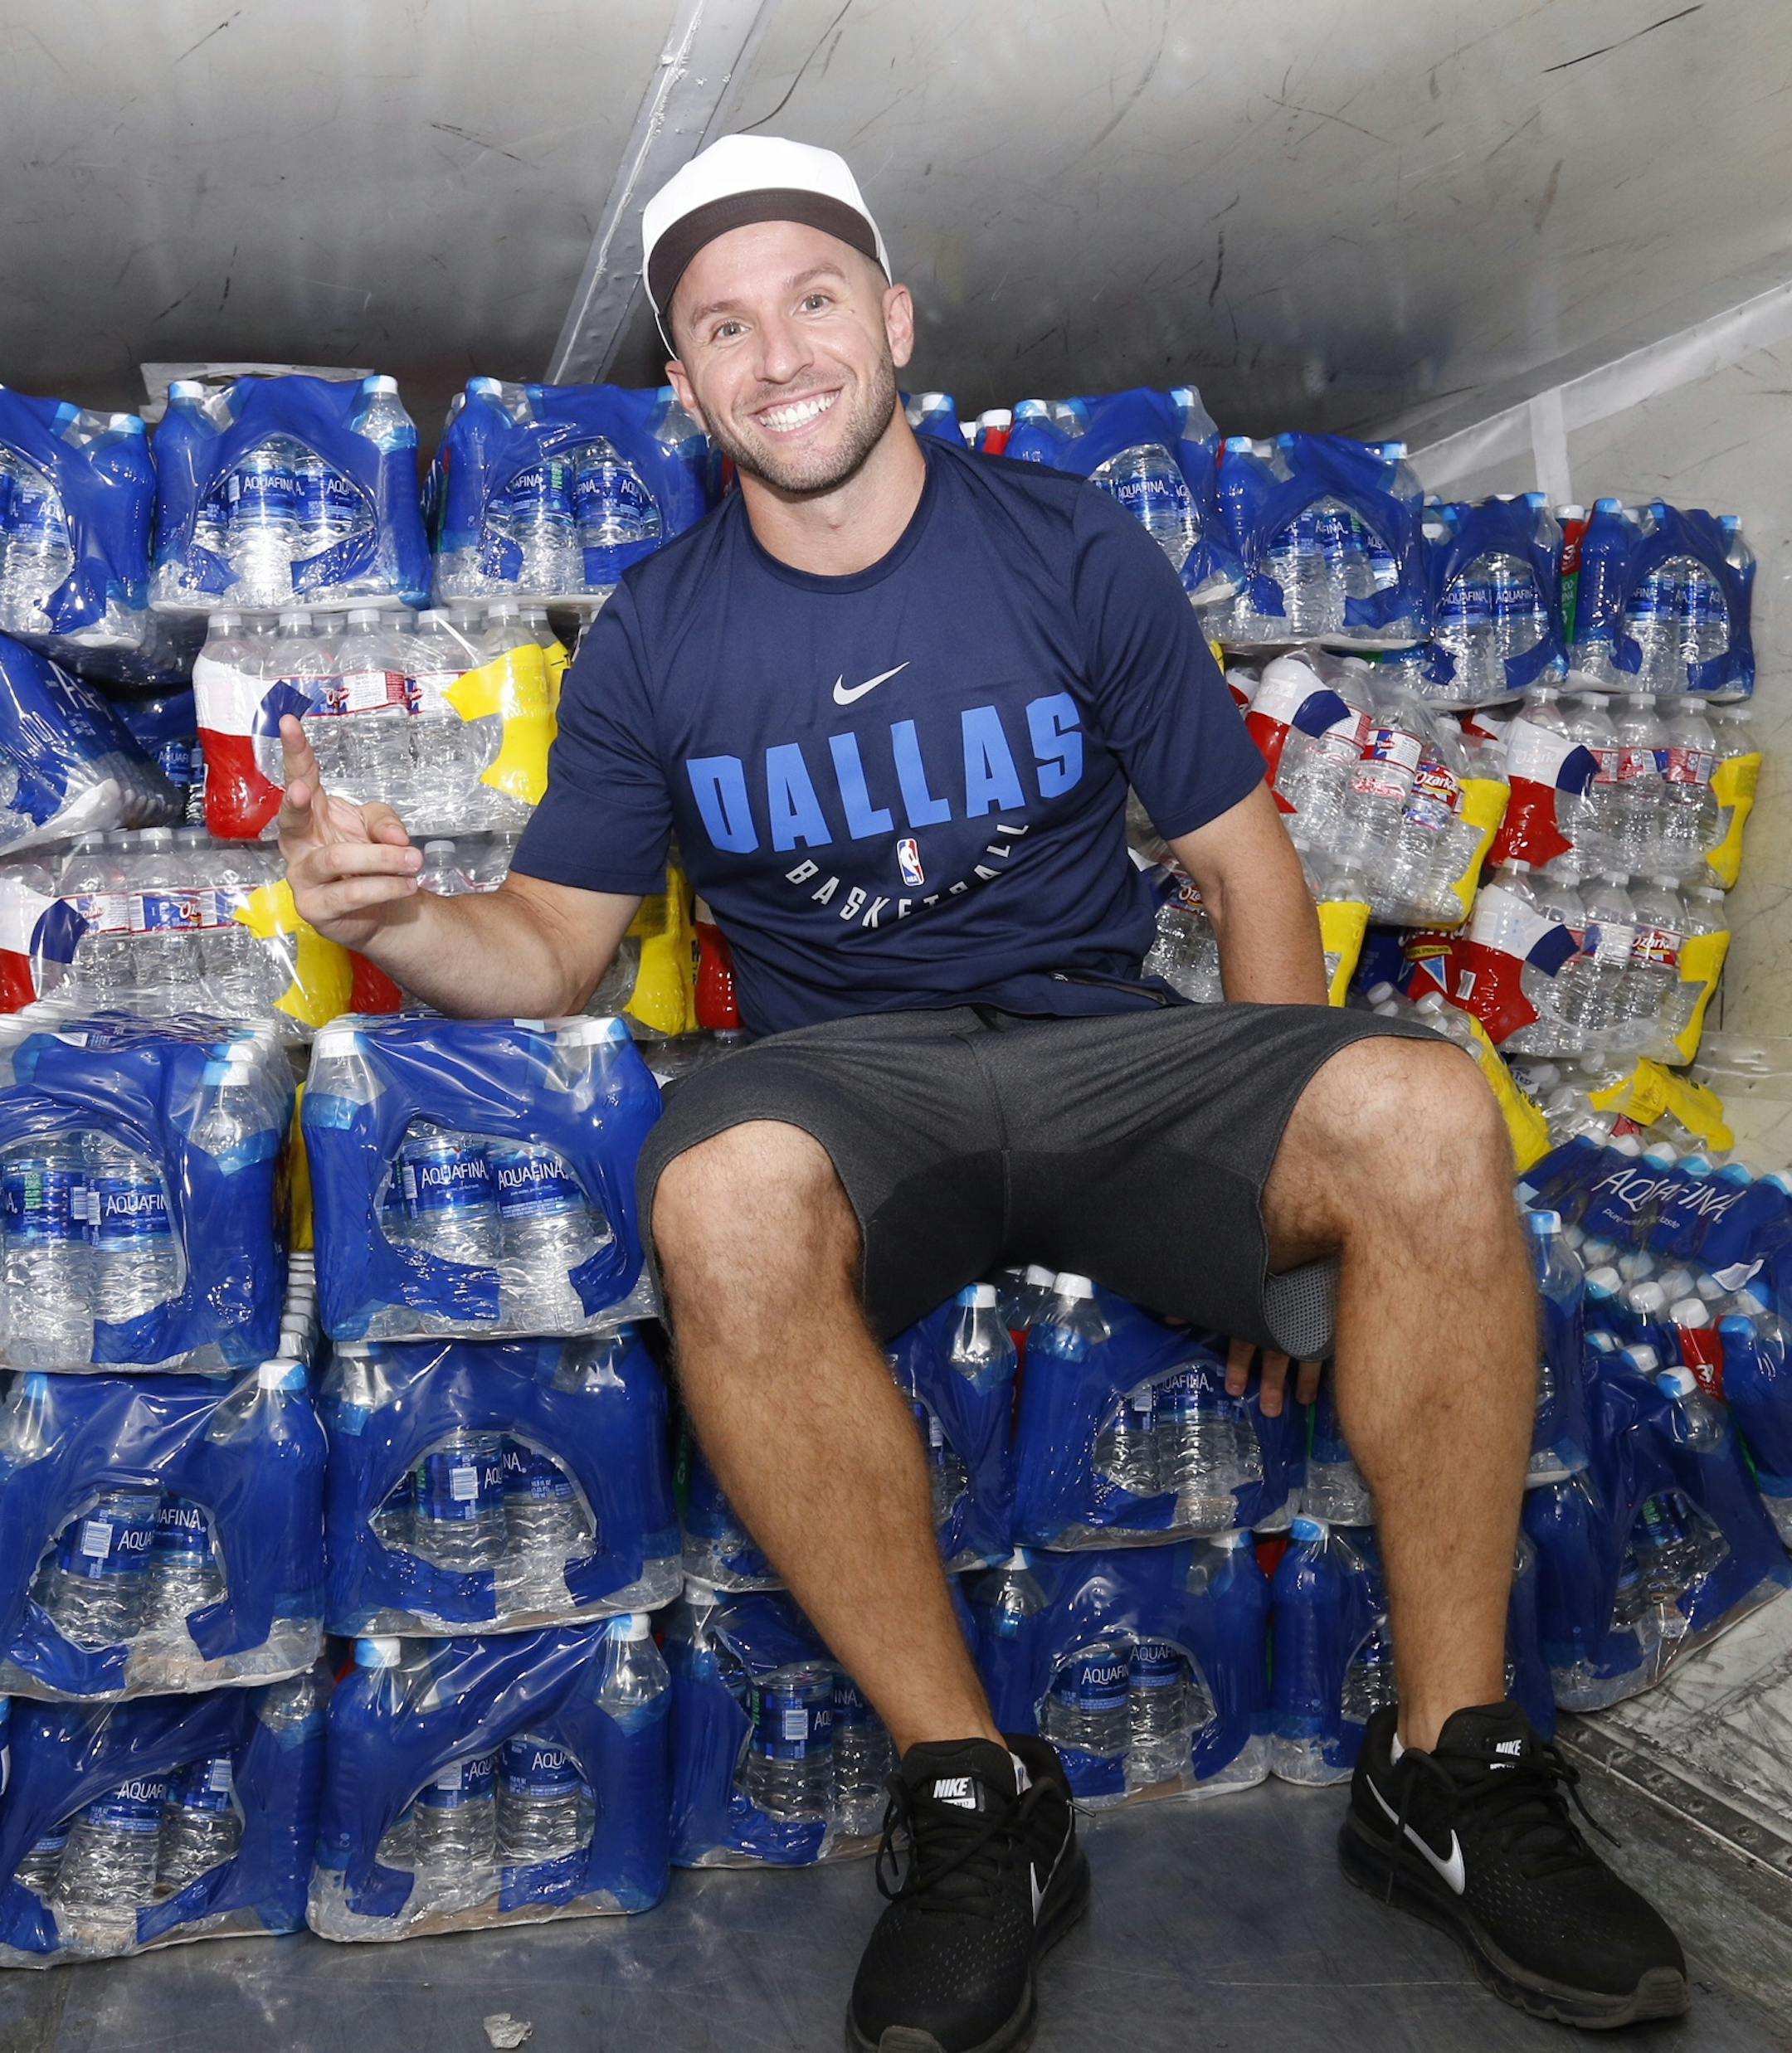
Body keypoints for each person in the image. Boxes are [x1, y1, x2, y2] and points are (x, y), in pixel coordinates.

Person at [280, 133, 1688, 2051]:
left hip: (1112, 1045)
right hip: (853, 1082)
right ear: (686, 393)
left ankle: (1448, 1761)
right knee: (716, 1193)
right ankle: (975, 1797)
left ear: (896, 321)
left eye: (812, 300)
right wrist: (399, 910)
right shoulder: (655, 633)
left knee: (1428, 1106)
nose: (776, 355)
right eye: (722, 328)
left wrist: (1292, 1219)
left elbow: (1249, 872)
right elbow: (546, 946)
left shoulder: (1068, 546)